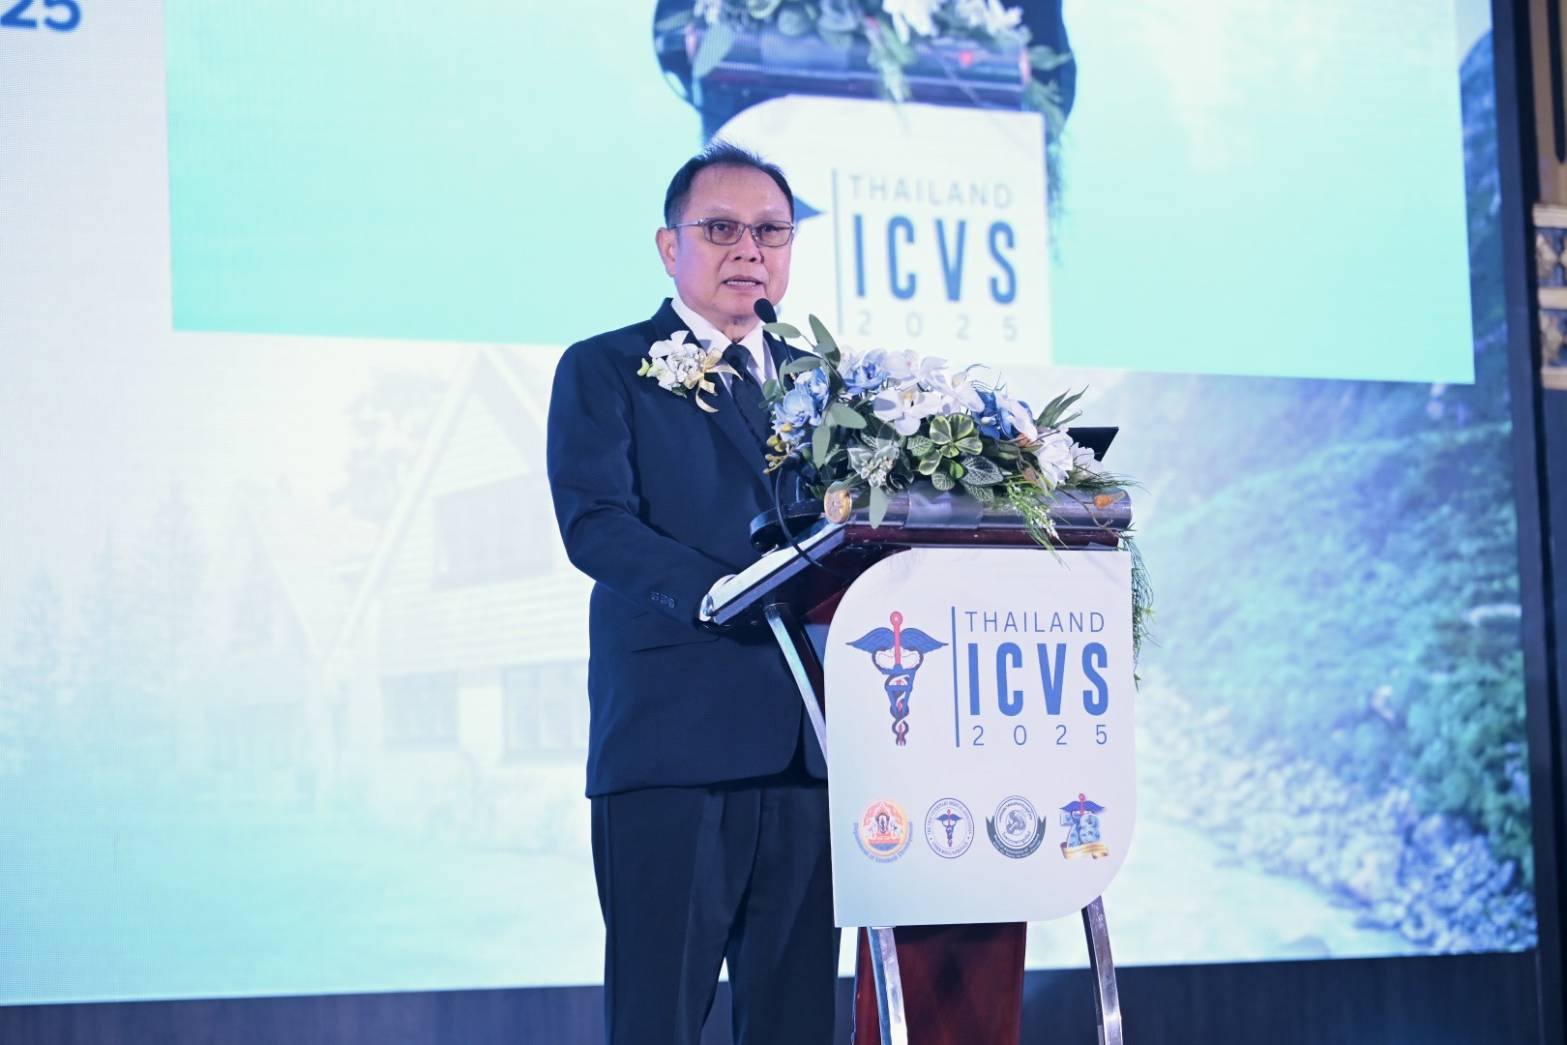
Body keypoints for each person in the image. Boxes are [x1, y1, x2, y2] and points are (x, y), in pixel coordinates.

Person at [545, 141, 836, 1045]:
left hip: (809, 743)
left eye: (771, 231)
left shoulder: (823, 384)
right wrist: (720, 591)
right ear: (669, 246)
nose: (749, 249)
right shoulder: (605, 367)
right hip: (673, 738)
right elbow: (595, 522)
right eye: (721, 228)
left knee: (793, 1016)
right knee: (659, 1015)